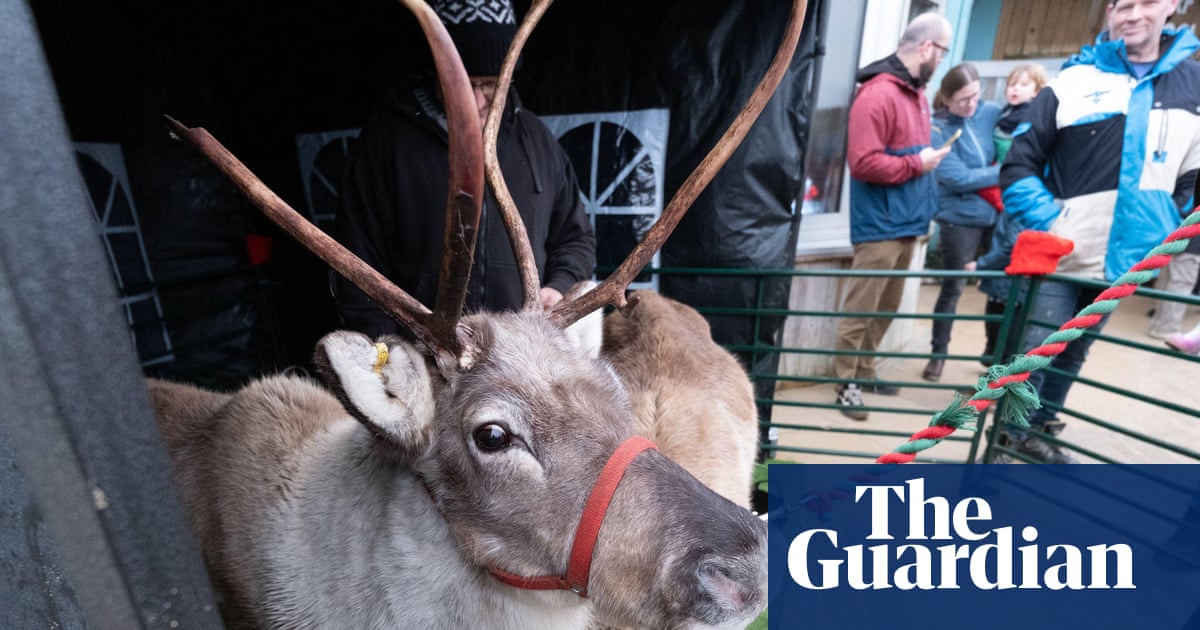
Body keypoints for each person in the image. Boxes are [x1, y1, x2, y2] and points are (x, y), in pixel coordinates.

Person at [998, 0, 1200, 463]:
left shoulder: (1193, 86)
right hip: (1062, 254)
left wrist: (1165, 227)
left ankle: (1039, 431)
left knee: (1075, 353)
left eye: (1146, 2)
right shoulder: (1072, 81)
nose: (1133, 14)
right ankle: (1006, 441)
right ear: (1109, 11)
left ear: (1171, 6)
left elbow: (1193, 178)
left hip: (1127, 261)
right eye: (1122, 5)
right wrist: (1055, 222)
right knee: (1035, 350)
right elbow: (1018, 164)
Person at [334, 0, 596, 338]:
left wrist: (558, 286)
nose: (475, 101)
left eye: (489, 84)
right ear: (436, 71)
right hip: (421, 350)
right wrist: (387, 343)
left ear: (509, 77)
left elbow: (576, 237)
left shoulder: (538, 141)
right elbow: (354, 258)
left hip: (519, 349)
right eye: (459, 83)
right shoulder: (387, 142)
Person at [833, 12, 953, 420]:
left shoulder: (916, 94)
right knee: (861, 309)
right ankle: (845, 384)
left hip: (907, 223)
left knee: (885, 307)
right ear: (927, 47)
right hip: (879, 226)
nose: (943, 61)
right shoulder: (877, 94)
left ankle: (864, 371)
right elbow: (863, 162)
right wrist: (918, 164)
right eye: (943, 52)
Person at [922, 63, 1003, 382]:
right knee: (953, 287)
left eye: (975, 96)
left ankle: (995, 354)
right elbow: (958, 178)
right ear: (946, 99)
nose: (971, 104)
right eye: (962, 100)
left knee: (1001, 287)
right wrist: (1003, 171)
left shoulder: (991, 112)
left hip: (996, 213)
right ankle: (938, 354)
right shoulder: (937, 129)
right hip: (959, 218)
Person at [971, 63, 1049, 367]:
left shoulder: (1036, 122)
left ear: (1037, 90)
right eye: (1012, 83)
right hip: (997, 200)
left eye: (1024, 84)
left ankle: (1001, 366)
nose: (1015, 89)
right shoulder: (1000, 116)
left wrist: (980, 265)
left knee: (1011, 294)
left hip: (1020, 200)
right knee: (996, 295)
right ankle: (994, 359)